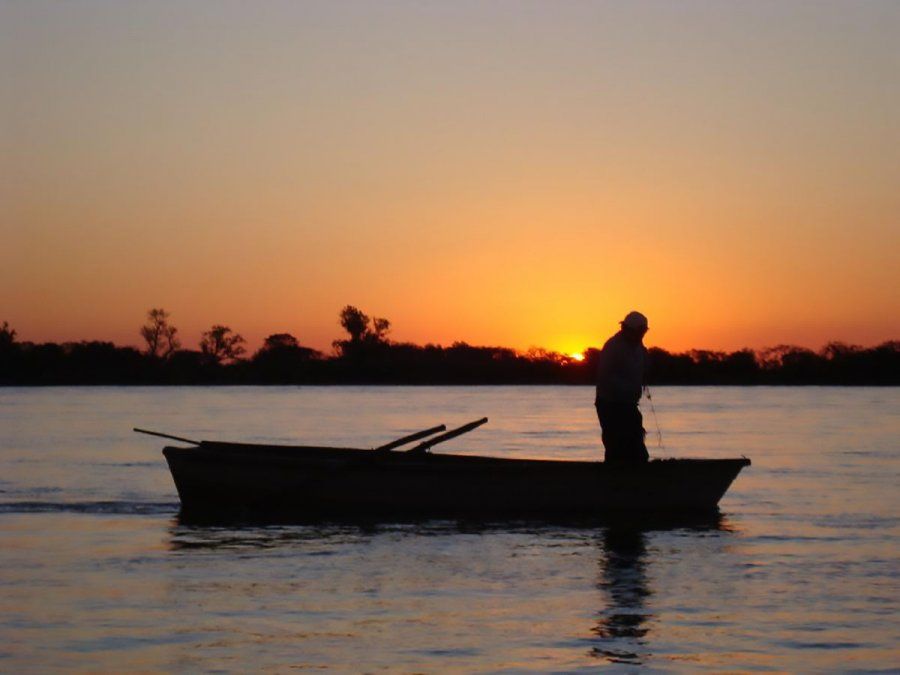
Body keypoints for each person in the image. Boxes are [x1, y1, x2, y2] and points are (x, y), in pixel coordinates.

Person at [595, 311, 650, 464]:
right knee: (616, 446)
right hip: (610, 404)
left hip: (629, 405)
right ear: (627, 329)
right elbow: (604, 376)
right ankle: (613, 478)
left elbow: (644, 367)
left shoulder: (639, 347)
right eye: (639, 331)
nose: (642, 335)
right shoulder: (613, 346)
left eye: (644, 332)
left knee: (637, 447)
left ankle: (636, 477)